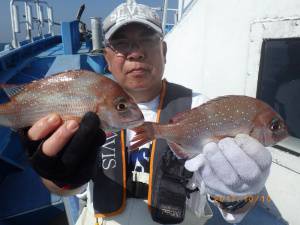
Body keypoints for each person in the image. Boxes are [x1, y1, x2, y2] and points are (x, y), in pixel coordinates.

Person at [20, 1, 273, 224]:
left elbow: (232, 202)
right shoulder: (83, 108)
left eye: (147, 39)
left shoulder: (201, 109)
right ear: (107, 58)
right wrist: (57, 175)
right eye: (121, 44)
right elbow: (64, 190)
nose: (136, 52)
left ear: (163, 51)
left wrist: (237, 193)